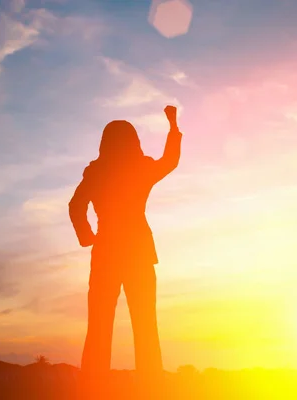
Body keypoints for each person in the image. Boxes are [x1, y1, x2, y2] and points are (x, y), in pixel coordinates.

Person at [69, 105, 182, 398]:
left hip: (106, 251)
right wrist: (172, 125)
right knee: (145, 326)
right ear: (134, 141)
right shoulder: (140, 168)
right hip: (138, 253)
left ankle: (92, 389)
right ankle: (151, 389)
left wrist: (87, 236)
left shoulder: (96, 173)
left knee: (99, 328)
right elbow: (170, 160)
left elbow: (75, 206)